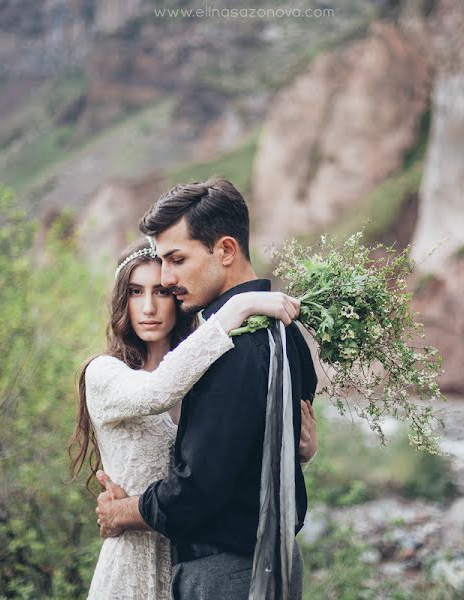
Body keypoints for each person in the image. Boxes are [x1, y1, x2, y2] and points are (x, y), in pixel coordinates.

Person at [94, 177, 318, 600]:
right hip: (277, 562)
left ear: (226, 251)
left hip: (226, 575)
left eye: (177, 259)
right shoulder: (290, 335)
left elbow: (198, 490)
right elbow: (264, 456)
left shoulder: (226, 348)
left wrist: (124, 510)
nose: (168, 277)